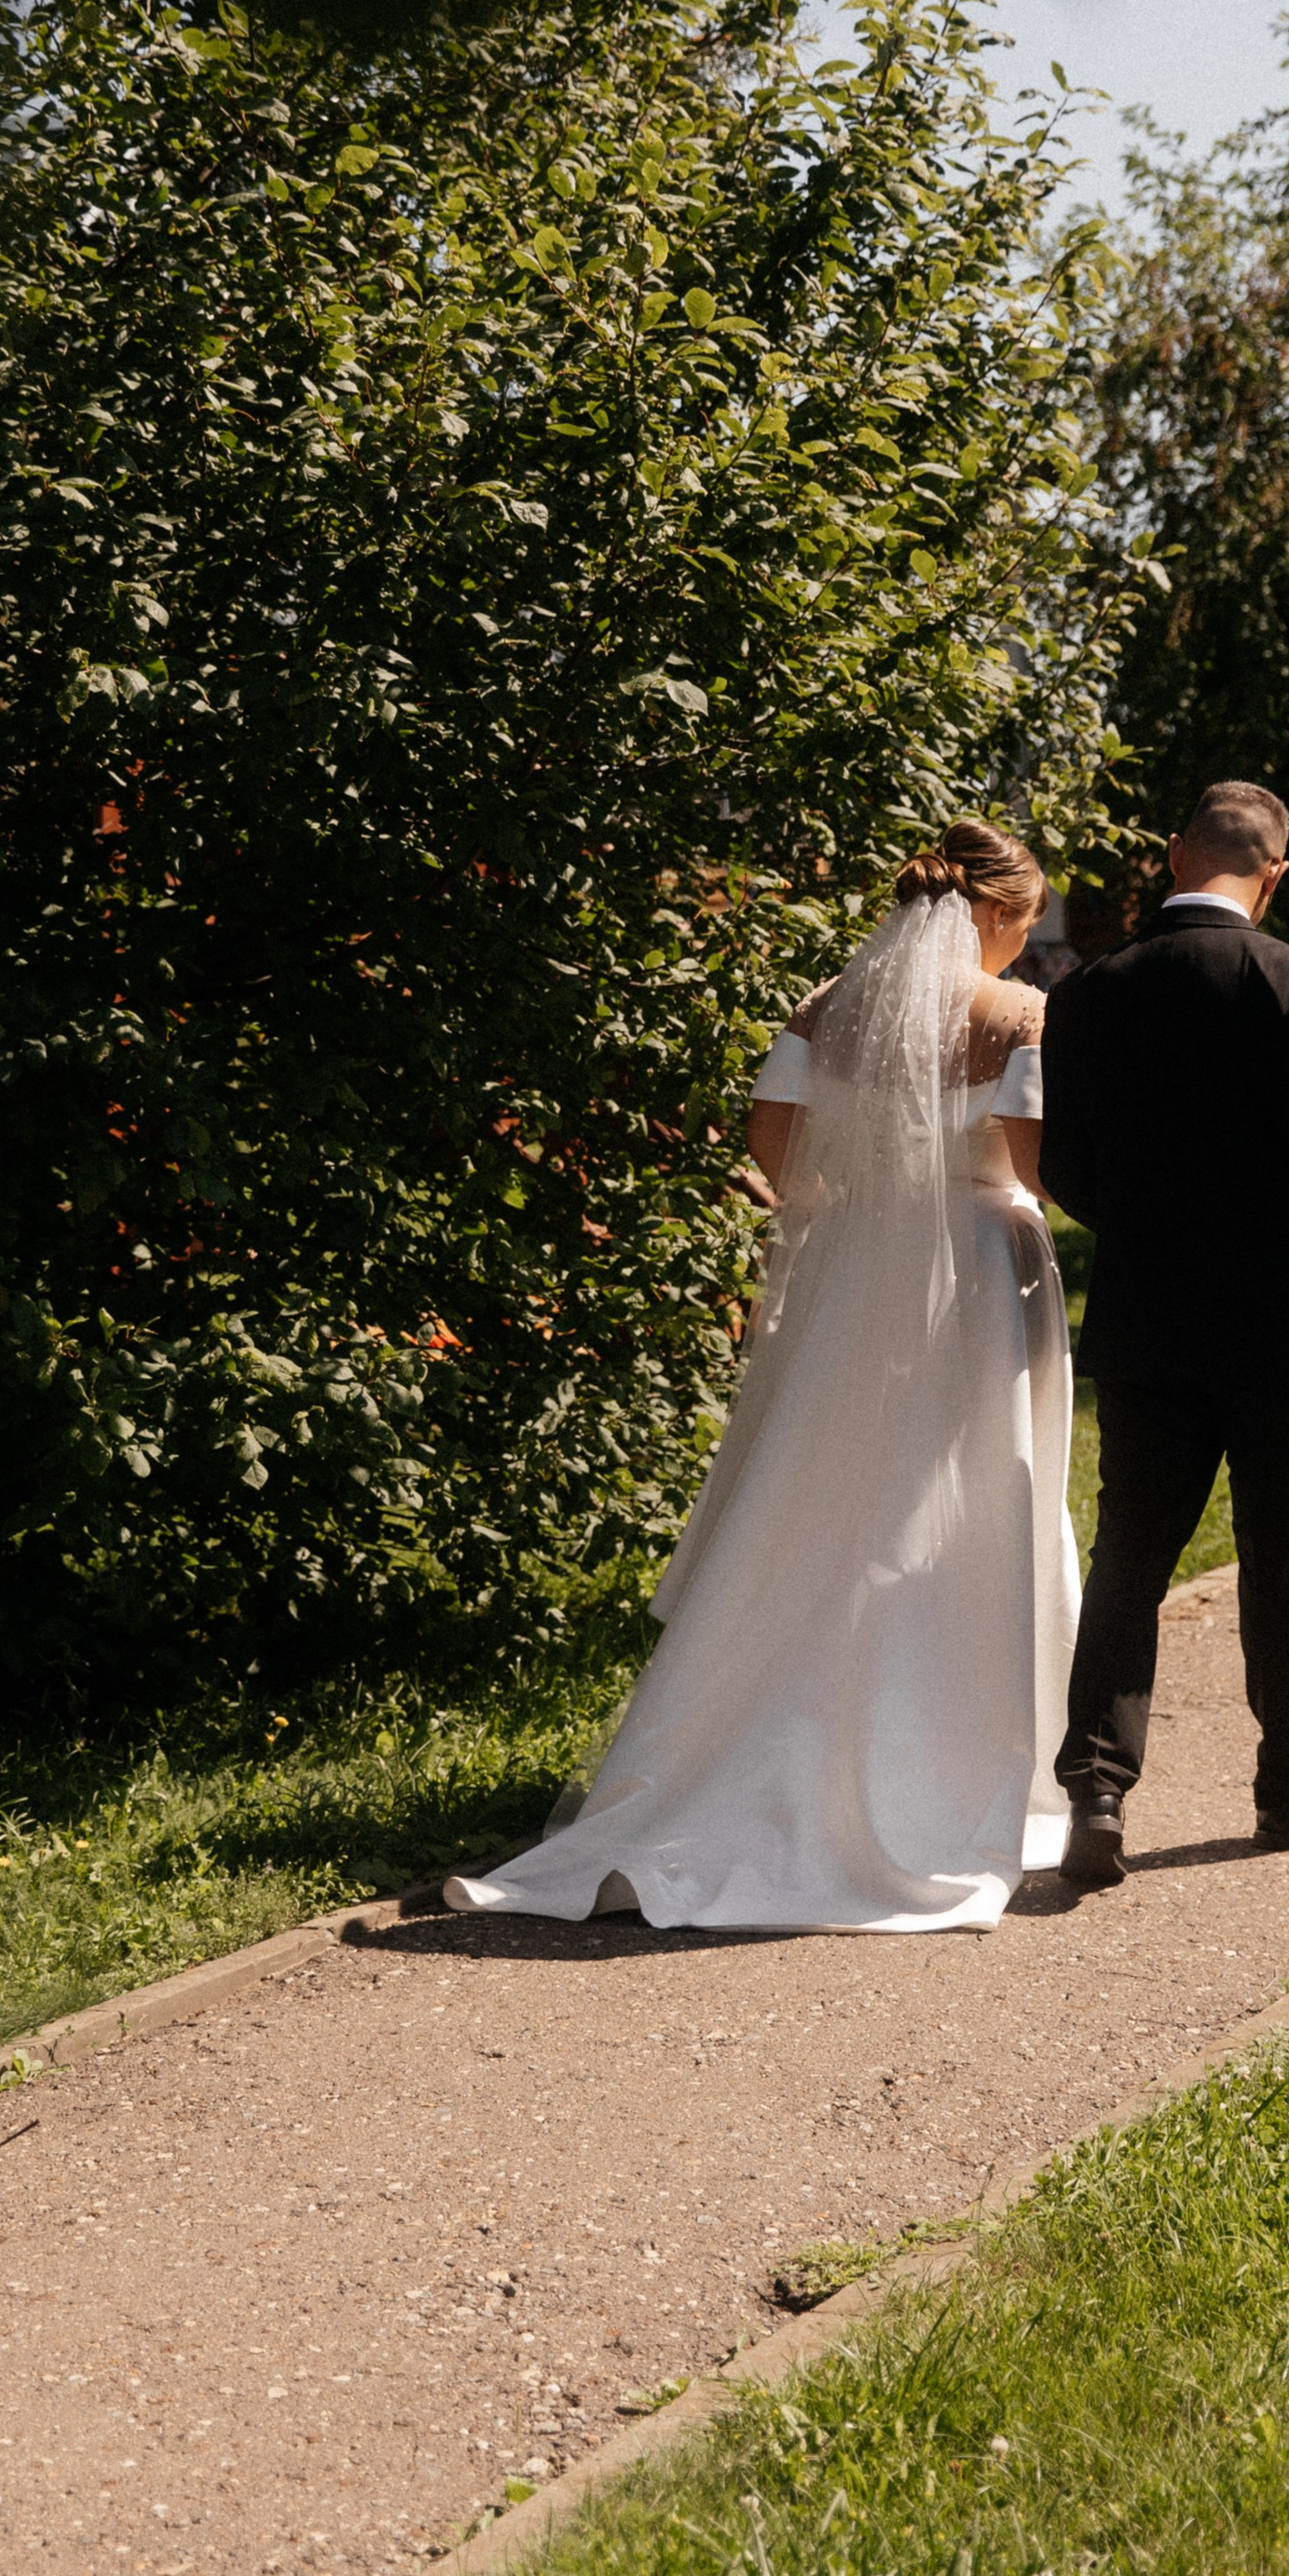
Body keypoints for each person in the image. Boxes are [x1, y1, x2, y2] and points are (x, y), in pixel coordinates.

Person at [446, 821, 1080, 1934]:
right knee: (964, 1505)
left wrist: (861, 1216)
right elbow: (1034, 1160)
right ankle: (958, 1758)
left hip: (849, 1278)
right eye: (1023, 927)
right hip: (977, 1275)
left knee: (822, 1503)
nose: (1021, 950)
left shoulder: (821, 1008)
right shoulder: (1018, 1015)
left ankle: (754, 1737)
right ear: (998, 913)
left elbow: (777, 1152)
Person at [1037, 780, 1289, 1886]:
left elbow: (1065, 1167)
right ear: (1276, 872)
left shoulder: (1090, 991)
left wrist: (1152, 1230)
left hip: (1148, 1323)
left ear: (1169, 856)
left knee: (1131, 1556)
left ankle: (1097, 1787)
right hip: (1284, 1326)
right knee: (1284, 1561)